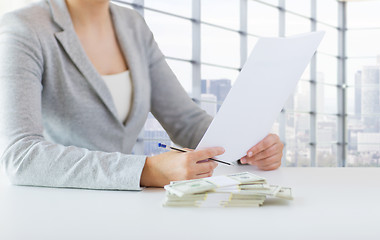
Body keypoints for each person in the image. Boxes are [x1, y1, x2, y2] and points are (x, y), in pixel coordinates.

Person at [0, 0, 283, 190]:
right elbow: (20, 155)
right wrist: (145, 171)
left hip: (127, 208)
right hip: (56, 210)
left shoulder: (131, 23)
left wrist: (247, 147)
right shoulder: (24, 29)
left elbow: (184, 120)